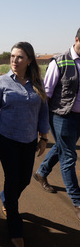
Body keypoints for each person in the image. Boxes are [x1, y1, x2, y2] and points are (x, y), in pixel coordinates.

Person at [0, 42, 49, 247]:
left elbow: (43, 112)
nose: (14, 60)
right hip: (6, 138)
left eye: (20, 57)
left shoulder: (37, 82)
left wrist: (43, 138)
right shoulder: (1, 81)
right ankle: (15, 226)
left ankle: (6, 197)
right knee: (12, 178)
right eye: (12, 56)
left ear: (29, 60)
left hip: (29, 140)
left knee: (24, 180)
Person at [33, 28, 80, 220]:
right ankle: (78, 201)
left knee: (62, 148)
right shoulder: (60, 61)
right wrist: (40, 123)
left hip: (78, 117)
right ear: (77, 39)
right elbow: (47, 93)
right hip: (62, 115)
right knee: (69, 155)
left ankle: (41, 172)